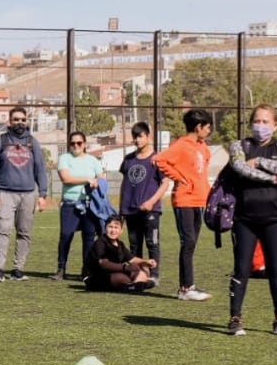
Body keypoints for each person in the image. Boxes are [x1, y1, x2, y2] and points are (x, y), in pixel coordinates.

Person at [225, 105, 277, 336]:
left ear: (275, 125)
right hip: (245, 219)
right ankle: (235, 318)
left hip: (275, 218)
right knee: (241, 269)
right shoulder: (239, 145)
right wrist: (270, 178)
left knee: (275, 270)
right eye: (257, 120)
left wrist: (260, 162)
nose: (260, 125)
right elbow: (239, 167)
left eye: (266, 121)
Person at [153, 108, 214, 301]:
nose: (209, 131)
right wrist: (180, 178)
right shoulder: (181, 145)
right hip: (184, 200)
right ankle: (186, 289)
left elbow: (201, 172)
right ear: (198, 127)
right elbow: (159, 160)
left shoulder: (203, 147)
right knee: (187, 242)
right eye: (208, 127)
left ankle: (189, 285)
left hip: (200, 200)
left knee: (192, 243)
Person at [0, 106, 48, 282]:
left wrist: (42, 194)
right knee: (3, 230)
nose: (19, 123)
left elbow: (40, 169)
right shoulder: (1, 140)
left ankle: (18, 269)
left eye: (22, 120)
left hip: (28, 194)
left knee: (24, 232)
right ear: (9, 122)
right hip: (5, 193)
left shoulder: (32, 142)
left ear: (26, 121)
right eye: (16, 119)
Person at [118, 121, 169, 288]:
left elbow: (165, 183)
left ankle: (154, 275)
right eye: (135, 137)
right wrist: (121, 211)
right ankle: (138, 274)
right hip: (131, 210)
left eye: (140, 136)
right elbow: (124, 184)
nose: (137, 140)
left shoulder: (157, 160)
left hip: (150, 210)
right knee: (134, 245)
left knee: (152, 243)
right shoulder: (128, 160)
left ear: (149, 136)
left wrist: (151, 202)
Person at [51, 130, 104, 280]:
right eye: (73, 143)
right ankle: (61, 268)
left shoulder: (93, 161)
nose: (76, 146)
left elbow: (101, 178)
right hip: (70, 203)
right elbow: (66, 178)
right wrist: (87, 179)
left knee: (88, 237)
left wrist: (98, 183)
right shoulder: (64, 158)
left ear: (85, 144)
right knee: (66, 235)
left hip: (89, 204)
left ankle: (86, 270)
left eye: (79, 143)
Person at [83, 215, 156, 292]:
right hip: (95, 276)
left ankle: (133, 286)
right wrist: (125, 268)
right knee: (121, 278)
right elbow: (104, 264)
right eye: (110, 227)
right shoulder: (100, 243)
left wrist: (145, 261)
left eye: (116, 227)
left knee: (142, 272)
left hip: (113, 274)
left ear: (121, 230)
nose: (113, 230)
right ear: (105, 228)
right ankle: (135, 285)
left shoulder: (120, 244)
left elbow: (132, 259)